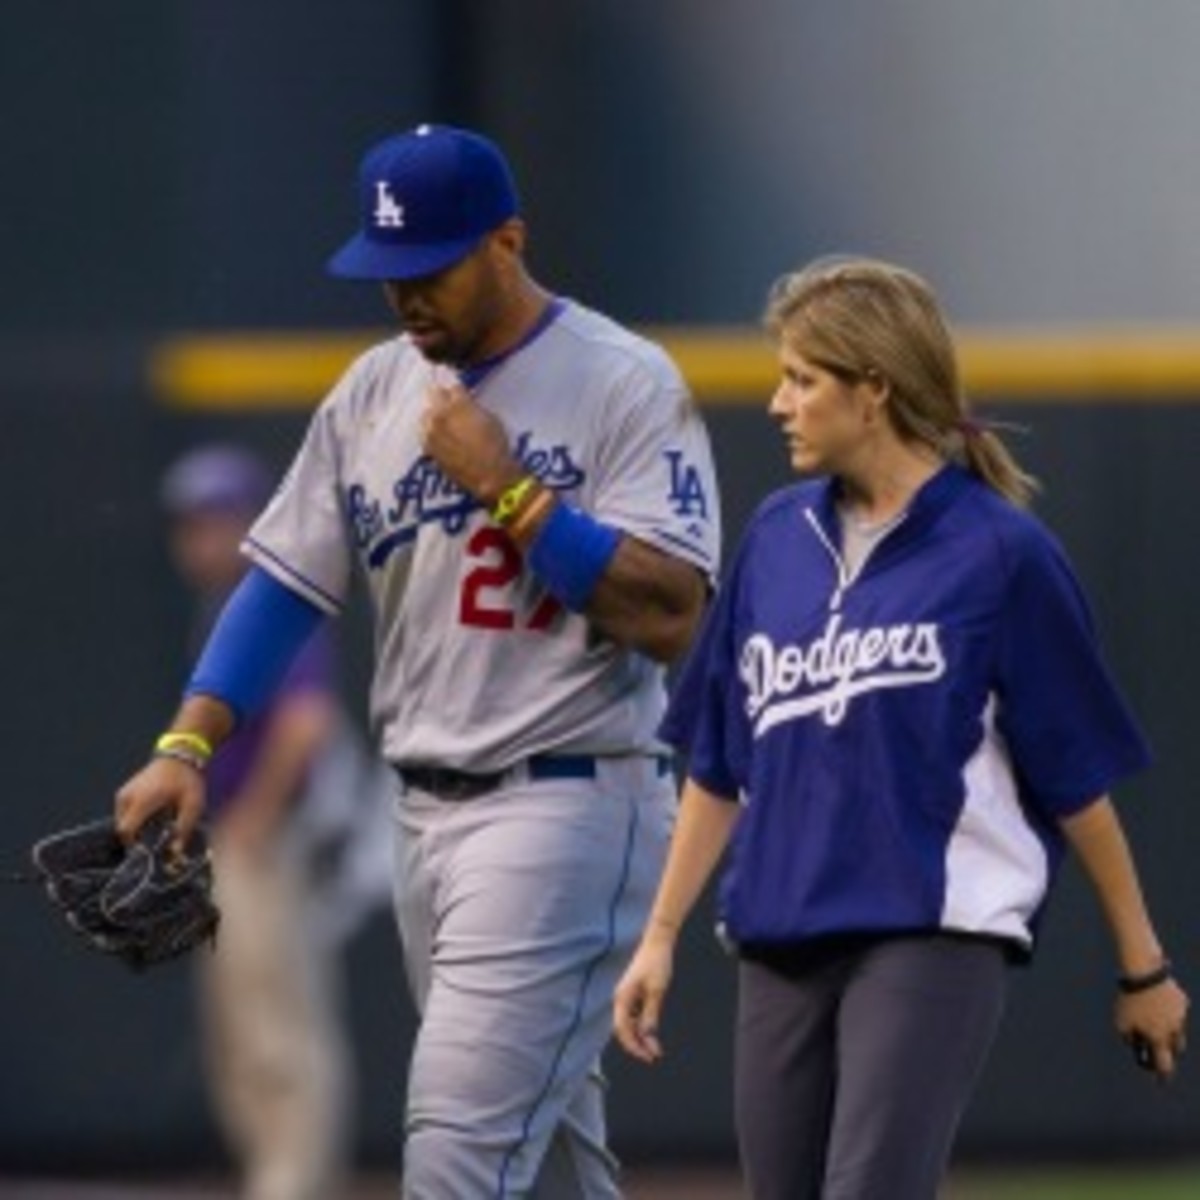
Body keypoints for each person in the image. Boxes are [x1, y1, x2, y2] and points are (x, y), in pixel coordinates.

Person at [117, 124, 721, 1198]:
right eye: (385, 271)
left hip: (565, 801)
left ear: (507, 241)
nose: (404, 297)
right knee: (550, 1171)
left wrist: (519, 495)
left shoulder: (624, 381)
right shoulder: (371, 391)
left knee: (454, 1153)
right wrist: (186, 741)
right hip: (423, 821)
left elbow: (673, 613)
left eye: (428, 267)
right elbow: (281, 583)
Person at [612, 257, 1190, 1200]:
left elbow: (1075, 779)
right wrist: (661, 935)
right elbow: (721, 763)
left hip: (930, 928)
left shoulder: (1000, 553)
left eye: (802, 378)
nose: (777, 403)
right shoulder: (775, 537)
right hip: (782, 925)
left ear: (872, 388)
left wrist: (1144, 965)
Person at [159, 444, 360, 1200]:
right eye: (191, 523)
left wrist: (252, 817)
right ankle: (276, 1179)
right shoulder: (223, 607)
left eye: (217, 519)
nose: (201, 538)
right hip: (237, 843)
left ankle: (293, 1185)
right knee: (241, 1037)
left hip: (268, 844)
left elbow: (307, 723)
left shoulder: (273, 600)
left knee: (279, 1031)